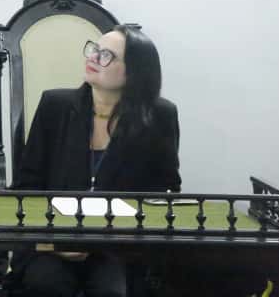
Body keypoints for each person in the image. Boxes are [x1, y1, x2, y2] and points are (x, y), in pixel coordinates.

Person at [12, 25, 181, 297]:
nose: (92, 57)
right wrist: (51, 241)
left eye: (106, 55)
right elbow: (27, 186)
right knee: (46, 284)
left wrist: (112, 239)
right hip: (53, 241)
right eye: (94, 49)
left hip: (118, 247)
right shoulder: (55, 105)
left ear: (133, 72)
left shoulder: (159, 116)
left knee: (110, 290)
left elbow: (165, 194)